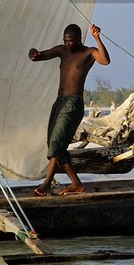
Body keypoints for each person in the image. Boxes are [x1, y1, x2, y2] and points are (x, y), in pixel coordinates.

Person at [26, 22, 110, 195]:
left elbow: (105, 60)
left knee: (56, 144)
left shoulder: (88, 53)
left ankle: (47, 183)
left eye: (71, 41)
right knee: (54, 145)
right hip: (59, 103)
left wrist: (97, 38)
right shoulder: (62, 51)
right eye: (65, 41)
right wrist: (34, 54)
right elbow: (40, 55)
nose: (67, 44)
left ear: (79, 39)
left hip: (73, 104)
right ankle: (76, 184)